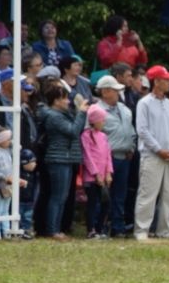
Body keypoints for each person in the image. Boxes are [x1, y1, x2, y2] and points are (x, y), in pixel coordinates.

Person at [133, 65, 169, 242]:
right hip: (152, 155)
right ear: (157, 81)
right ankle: (142, 229)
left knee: (168, 194)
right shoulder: (144, 103)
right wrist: (159, 149)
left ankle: (164, 229)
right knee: (148, 193)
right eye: (166, 79)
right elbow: (142, 130)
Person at [41, 84, 89, 241]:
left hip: (66, 158)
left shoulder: (62, 114)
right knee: (58, 196)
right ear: (55, 101)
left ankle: (57, 228)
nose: (68, 101)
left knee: (63, 196)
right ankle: (52, 230)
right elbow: (73, 131)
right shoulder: (54, 116)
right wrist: (81, 113)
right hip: (58, 158)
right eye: (64, 98)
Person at [94, 75, 137, 238]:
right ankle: (99, 227)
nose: (119, 92)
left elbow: (131, 130)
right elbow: (91, 136)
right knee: (103, 195)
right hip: (106, 158)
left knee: (120, 194)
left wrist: (131, 147)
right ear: (105, 92)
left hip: (123, 157)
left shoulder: (125, 109)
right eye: (115, 90)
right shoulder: (96, 110)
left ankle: (117, 227)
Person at [80, 104, 113, 238]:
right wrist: (96, 174)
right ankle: (91, 229)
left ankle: (100, 228)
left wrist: (108, 172)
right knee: (92, 203)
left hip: (104, 177)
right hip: (91, 178)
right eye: (102, 120)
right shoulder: (86, 135)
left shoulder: (103, 136)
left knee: (106, 202)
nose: (104, 122)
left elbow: (108, 155)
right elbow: (87, 156)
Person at [0, 125, 23, 240]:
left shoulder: (7, 151)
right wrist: (4, 177)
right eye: (7, 139)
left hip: (8, 186)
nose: (9, 141)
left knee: (6, 209)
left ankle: (6, 231)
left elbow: (18, 149)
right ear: (0, 140)